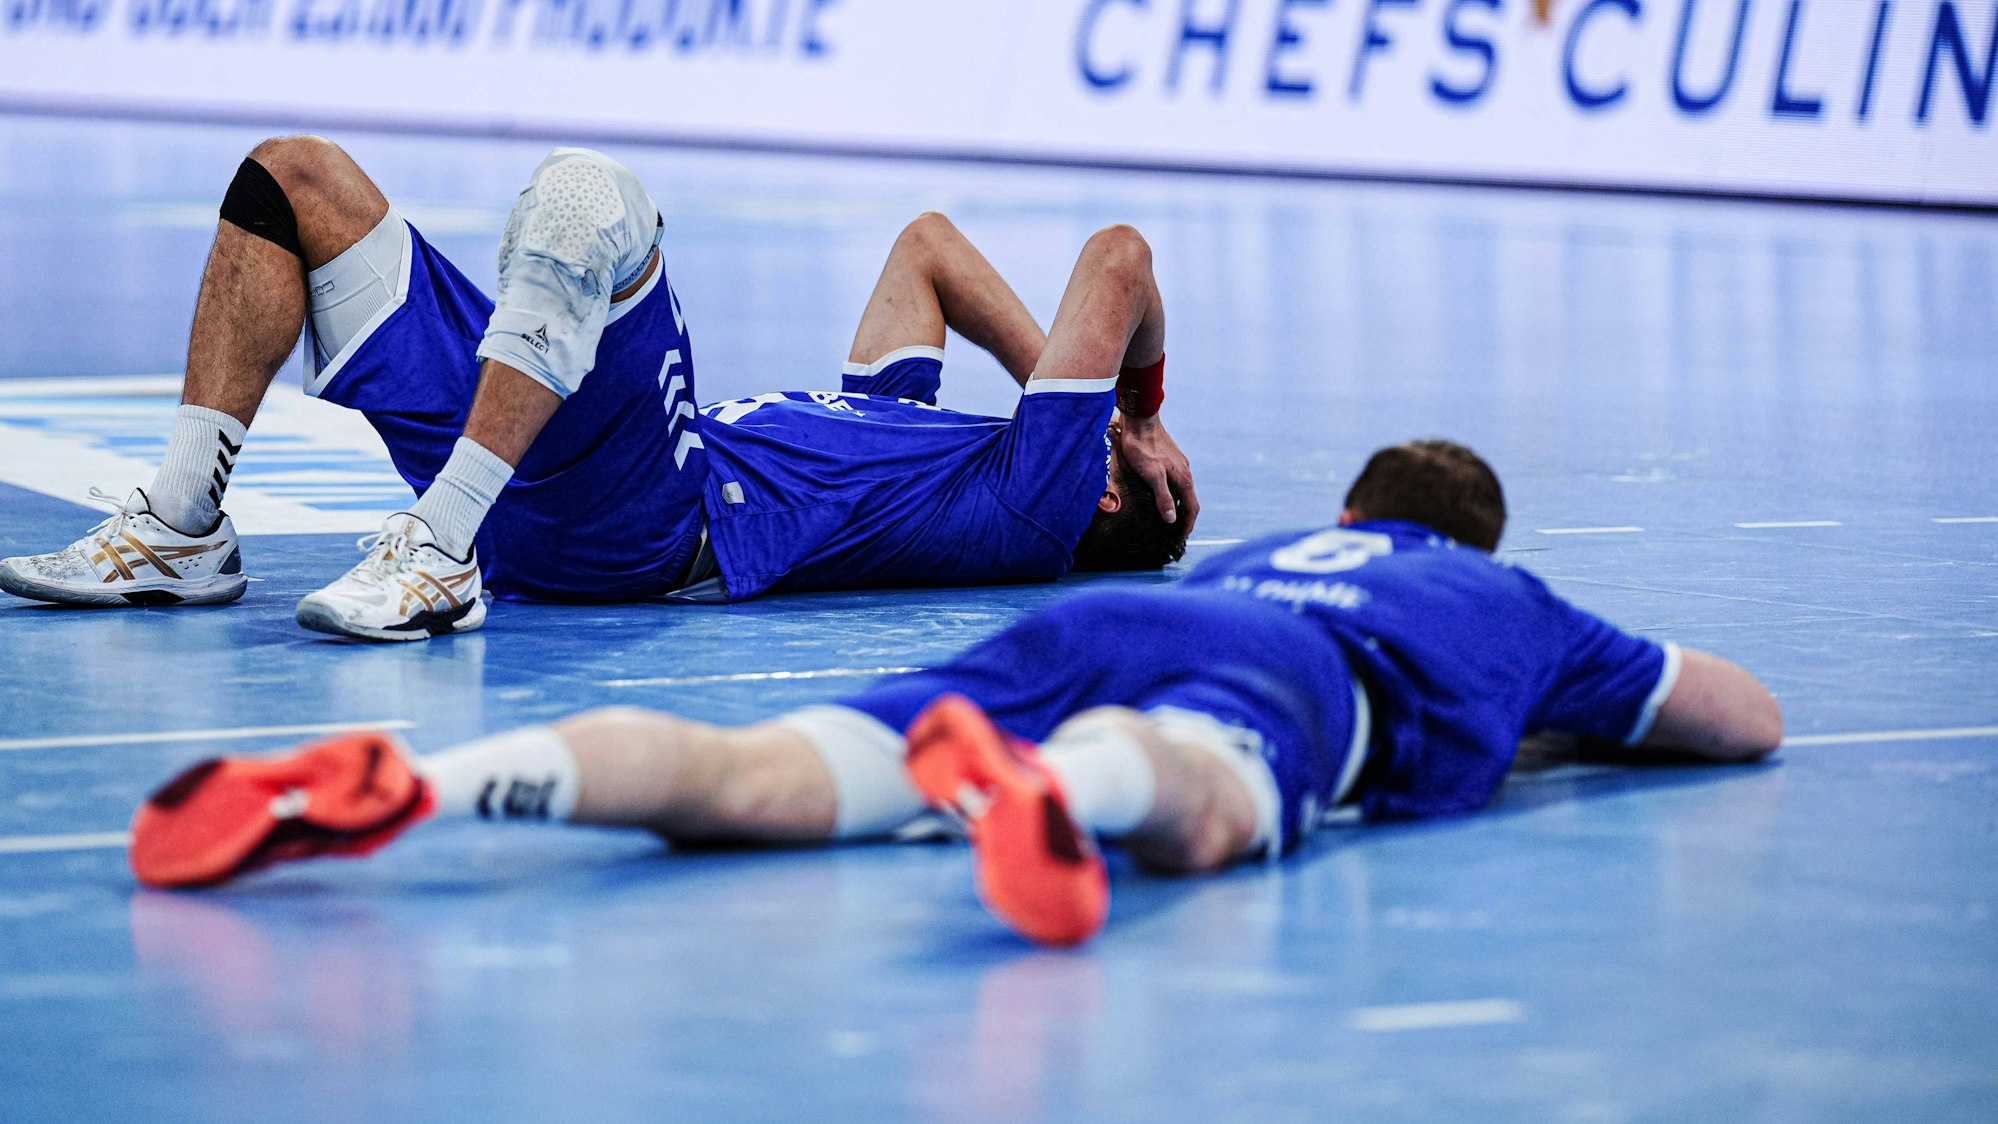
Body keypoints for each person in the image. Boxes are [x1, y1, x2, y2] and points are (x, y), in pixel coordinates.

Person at [126, 440, 1783, 946]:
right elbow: (1737, 714)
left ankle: (434, 784)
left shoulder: (1277, 540)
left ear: (1350, 511)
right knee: (1206, 797)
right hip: (1273, 683)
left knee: (745, 772)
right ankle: (1055, 794)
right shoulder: (1498, 595)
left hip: (1093, 631)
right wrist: (1556, 709)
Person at [0, 139, 1195, 637]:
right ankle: (182, 528)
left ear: (1097, 496)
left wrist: (1131, 416)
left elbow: (1121, 259)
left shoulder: (1037, 506)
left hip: (647, 514)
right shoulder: (935, 449)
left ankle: (439, 547)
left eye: (1085, 442)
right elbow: (929, 245)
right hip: (564, 461)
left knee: (589, 198)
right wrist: (1074, 406)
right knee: (292, 182)